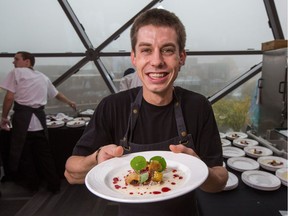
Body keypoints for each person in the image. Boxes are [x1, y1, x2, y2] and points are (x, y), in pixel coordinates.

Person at [65, 8, 228, 216]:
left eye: (168, 50)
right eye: (146, 50)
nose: (157, 61)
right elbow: (71, 172)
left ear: (182, 57)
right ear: (134, 58)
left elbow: (219, 180)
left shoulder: (198, 106)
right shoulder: (113, 106)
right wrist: (95, 158)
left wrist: (200, 168)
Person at [0, 51, 77, 193]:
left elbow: (9, 97)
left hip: (23, 121)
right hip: (39, 122)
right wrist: (70, 102)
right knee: (45, 156)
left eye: (16, 59)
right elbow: (56, 94)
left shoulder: (16, 73)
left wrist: (4, 118)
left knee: (26, 156)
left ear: (27, 61)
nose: (13, 62)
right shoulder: (42, 77)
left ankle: (32, 185)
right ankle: (54, 185)